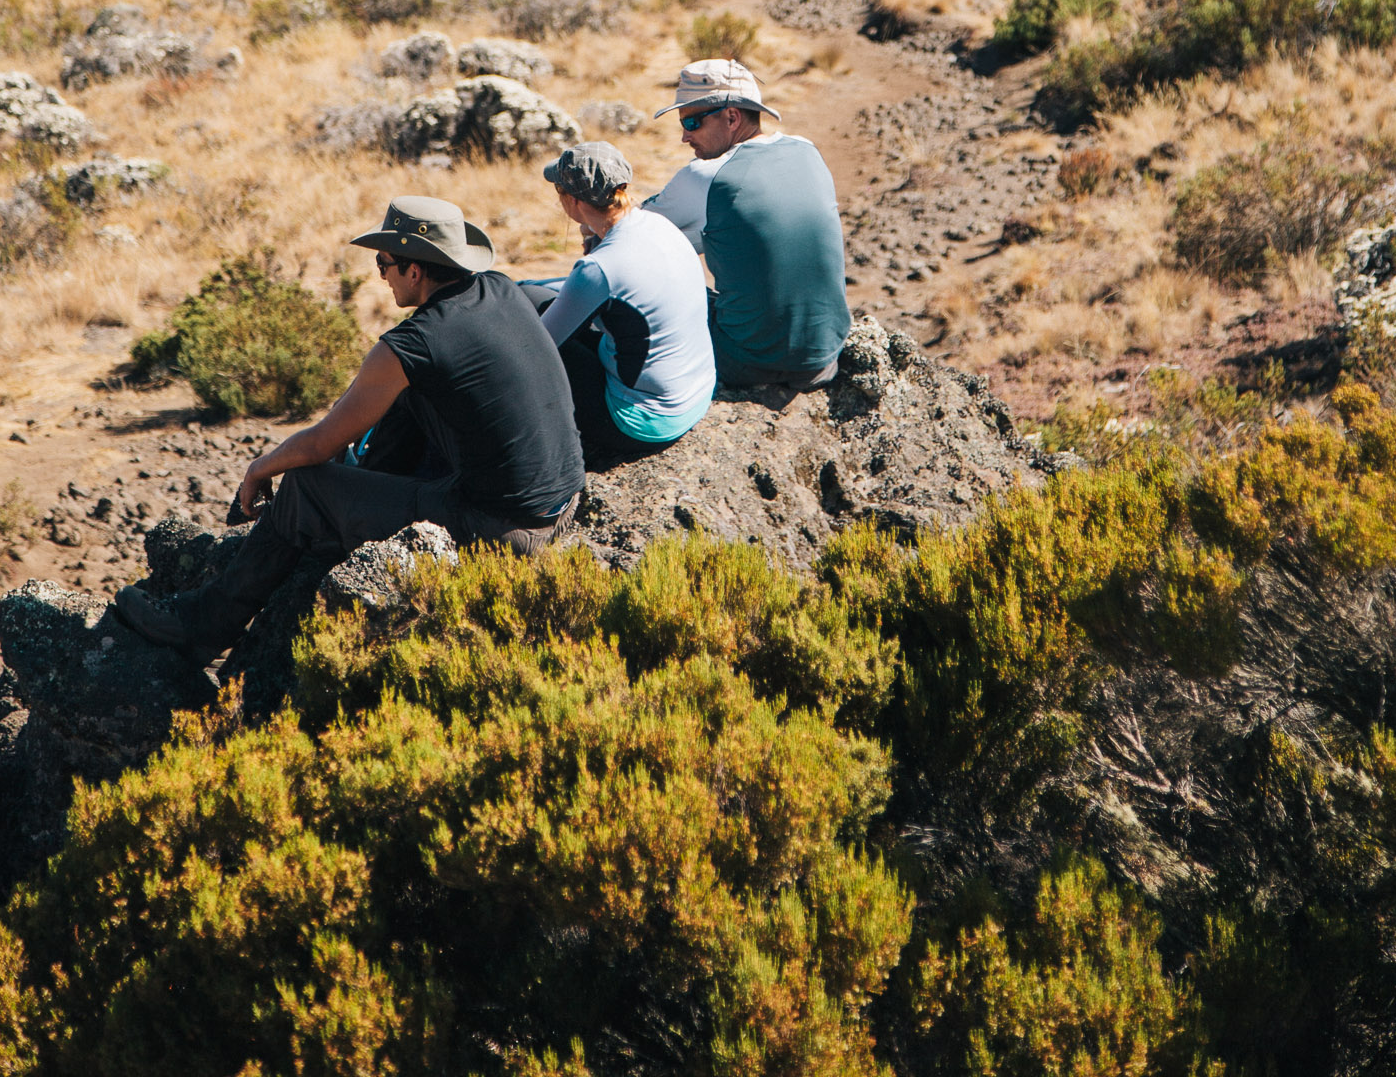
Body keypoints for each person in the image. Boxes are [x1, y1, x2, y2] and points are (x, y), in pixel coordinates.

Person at [114, 197, 585, 660]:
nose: (380, 276)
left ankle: (204, 626)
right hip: (563, 507)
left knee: (304, 486)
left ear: (414, 272)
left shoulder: (416, 342)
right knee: (412, 393)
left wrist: (261, 467)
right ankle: (360, 497)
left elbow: (320, 443)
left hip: (500, 533)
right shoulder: (499, 289)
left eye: (383, 264)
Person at [646, 59, 849, 393]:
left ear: (731, 117)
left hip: (748, 362)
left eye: (692, 121)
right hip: (823, 358)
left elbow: (626, 237)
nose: (684, 136)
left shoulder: (706, 176)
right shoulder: (807, 151)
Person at [527, 141, 715, 467]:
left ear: (573, 200)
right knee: (535, 297)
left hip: (640, 422)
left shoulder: (599, 269)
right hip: (695, 393)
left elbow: (538, 348)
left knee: (528, 344)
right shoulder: (659, 225)